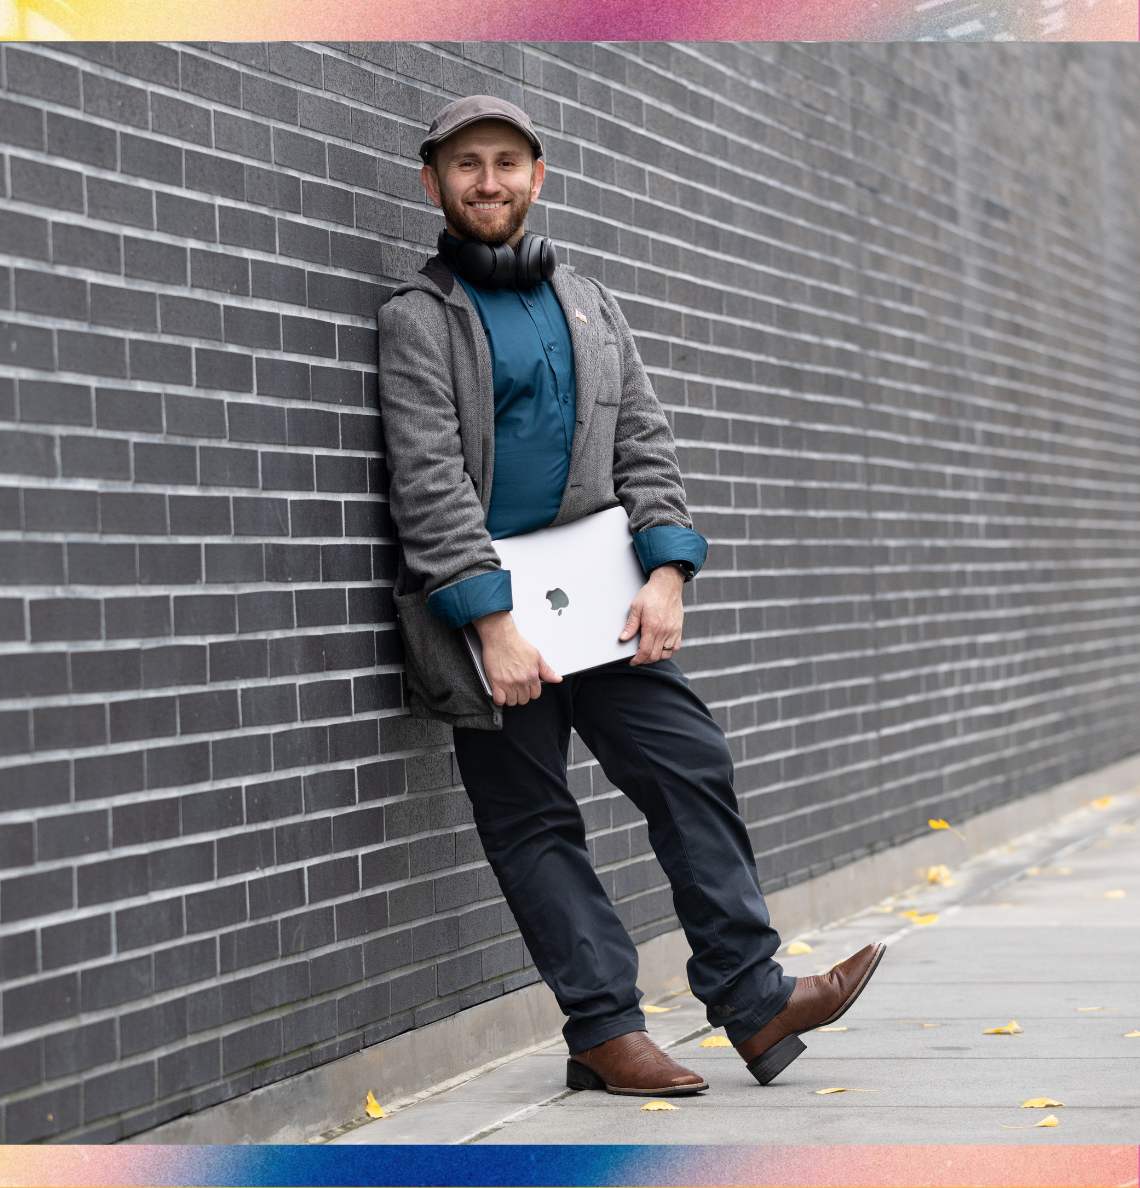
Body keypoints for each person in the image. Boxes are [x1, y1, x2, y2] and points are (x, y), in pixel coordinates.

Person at [376, 95, 885, 1096]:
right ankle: (603, 1026)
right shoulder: (417, 319)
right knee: (533, 820)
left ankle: (753, 995)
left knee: (689, 763)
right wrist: (492, 625)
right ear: (433, 183)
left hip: (606, 602)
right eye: (467, 164)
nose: (489, 180)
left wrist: (666, 573)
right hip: (495, 622)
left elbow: (643, 443)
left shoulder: (589, 301)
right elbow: (425, 477)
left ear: (539, 175)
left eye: (507, 162)